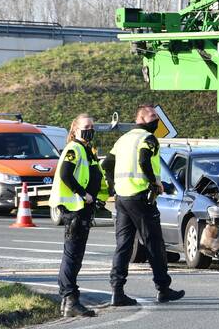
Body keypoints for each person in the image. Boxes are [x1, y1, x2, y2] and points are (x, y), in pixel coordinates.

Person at [101, 105, 184, 306]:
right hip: (140, 197)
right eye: (153, 117)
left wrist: (113, 186)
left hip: (122, 198)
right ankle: (163, 288)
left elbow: (106, 165)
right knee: (154, 243)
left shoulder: (124, 139)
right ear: (141, 119)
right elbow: (144, 160)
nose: (157, 121)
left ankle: (117, 291)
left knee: (124, 245)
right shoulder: (148, 139)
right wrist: (154, 182)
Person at [51, 113, 103, 317]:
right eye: (87, 126)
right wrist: (83, 194)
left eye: (92, 126)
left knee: (76, 255)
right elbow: (65, 174)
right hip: (74, 209)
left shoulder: (87, 150)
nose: (90, 129)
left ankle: (68, 301)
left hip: (82, 209)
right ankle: (70, 298)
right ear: (75, 130)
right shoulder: (74, 149)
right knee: (72, 255)